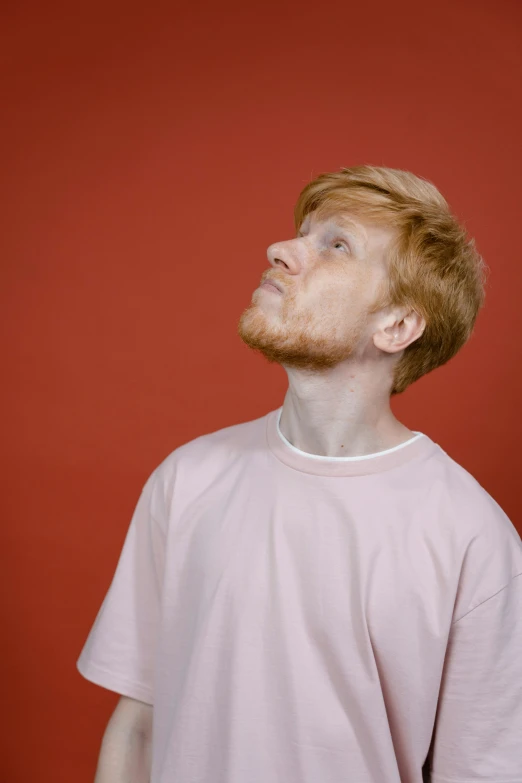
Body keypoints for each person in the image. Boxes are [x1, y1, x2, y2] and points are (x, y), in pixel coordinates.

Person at [77, 165, 522, 783]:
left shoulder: (472, 537)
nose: (280, 250)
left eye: (336, 245)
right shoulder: (187, 480)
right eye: (301, 234)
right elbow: (139, 722)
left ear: (395, 325)